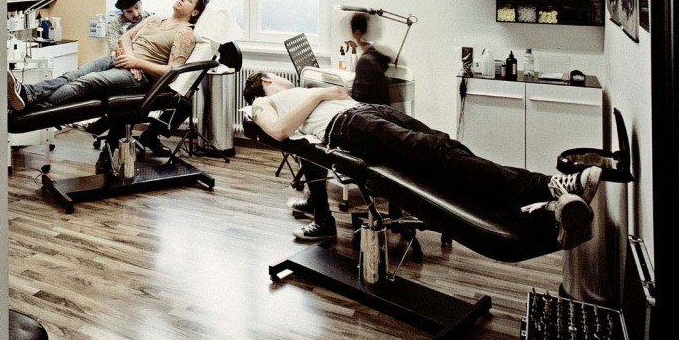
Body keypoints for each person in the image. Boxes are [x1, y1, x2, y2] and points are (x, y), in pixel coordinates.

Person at [244, 73, 601, 249]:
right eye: (275, 77)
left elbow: (341, 93)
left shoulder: (299, 92)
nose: (283, 78)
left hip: (366, 112)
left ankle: (541, 210)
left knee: (448, 150)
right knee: (440, 156)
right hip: (349, 126)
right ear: (264, 80)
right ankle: (550, 185)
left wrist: (324, 93)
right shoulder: (262, 103)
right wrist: (320, 93)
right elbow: (278, 131)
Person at [9, 0, 209, 114]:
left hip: (140, 77)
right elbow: (124, 38)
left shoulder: (185, 33)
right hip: (120, 60)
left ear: (195, 12)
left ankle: (29, 110)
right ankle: (27, 93)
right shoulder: (154, 19)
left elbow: (172, 72)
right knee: (73, 74)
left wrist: (137, 64)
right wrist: (130, 57)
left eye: (188, 0)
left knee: (87, 81)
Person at [286, 11, 394, 240]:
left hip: (363, 137)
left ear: (357, 33)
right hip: (373, 129)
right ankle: (313, 202)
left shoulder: (366, 62)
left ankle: (322, 218)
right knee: (314, 142)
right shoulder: (376, 57)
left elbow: (356, 105)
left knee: (309, 146)